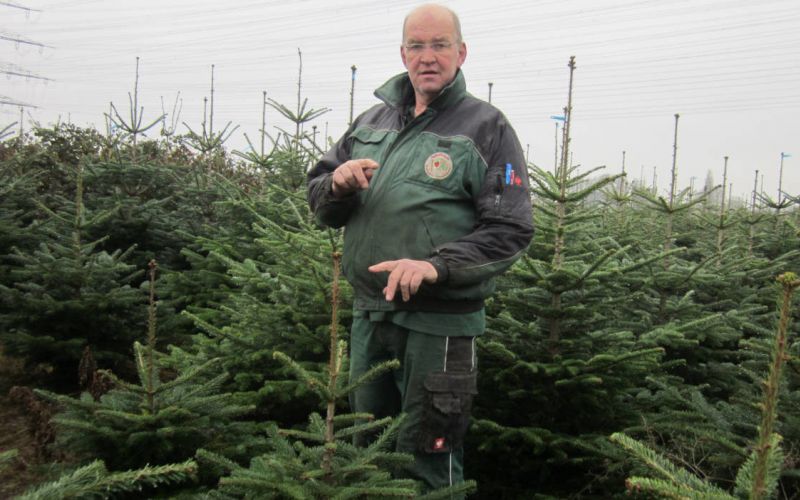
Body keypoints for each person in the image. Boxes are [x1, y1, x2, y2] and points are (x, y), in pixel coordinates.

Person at [307, 3, 533, 493]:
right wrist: (336, 185)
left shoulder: (486, 128)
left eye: (439, 45)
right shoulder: (372, 120)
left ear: (461, 52)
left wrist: (435, 267)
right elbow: (319, 201)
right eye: (417, 46)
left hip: (440, 326)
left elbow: (510, 228)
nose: (427, 57)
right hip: (371, 316)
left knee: (430, 454)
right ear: (402, 52)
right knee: (365, 447)